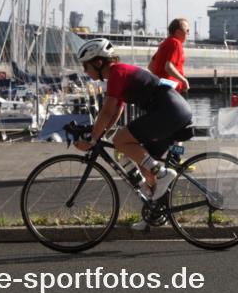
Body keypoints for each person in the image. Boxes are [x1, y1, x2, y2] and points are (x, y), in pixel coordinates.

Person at [74, 38, 193, 222]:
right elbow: (115, 112)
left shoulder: (117, 72)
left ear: (98, 62)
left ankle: (162, 174)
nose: (85, 71)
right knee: (143, 162)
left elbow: (106, 111)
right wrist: (99, 135)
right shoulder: (118, 74)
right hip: (172, 110)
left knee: (120, 140)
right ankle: (154, 213)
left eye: (86, 66)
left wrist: (91, 140)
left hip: (169, 111)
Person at [148, 18, 190, 94]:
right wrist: (184, 80)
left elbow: (151, 66)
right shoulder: (176, 43)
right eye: (187, 31)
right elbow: (168, 67)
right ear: (178, 32)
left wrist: (161, 77)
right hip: (170, 91)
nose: (188, 34)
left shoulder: (165, 43)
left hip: (159, 88)